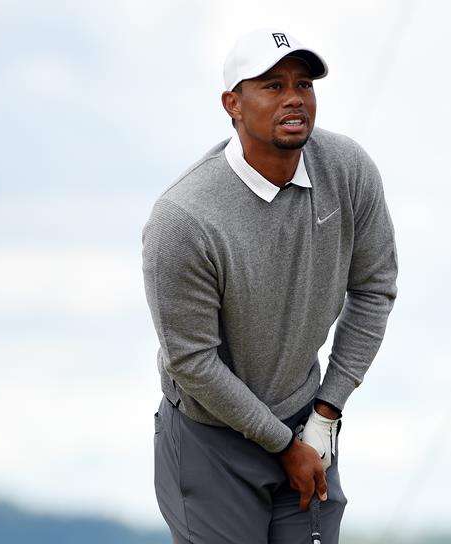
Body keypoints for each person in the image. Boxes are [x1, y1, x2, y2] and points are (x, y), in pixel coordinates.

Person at [141, 28, 399, 543]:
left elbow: (374, 289)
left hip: (307, 421)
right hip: (209, 438)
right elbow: (193, 362)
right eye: (273, 85)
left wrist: (327, 412)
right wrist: (284, 445)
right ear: (232, 103)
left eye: (303, 84)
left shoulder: (347, 171)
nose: (293, 99)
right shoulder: (183, 218)